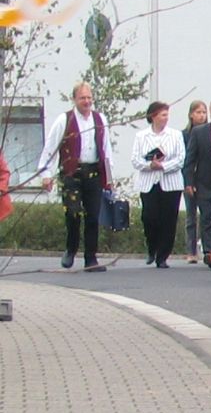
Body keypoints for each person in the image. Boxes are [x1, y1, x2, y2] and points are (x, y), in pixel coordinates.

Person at [34, 82, 111, 272]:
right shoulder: (65, 120)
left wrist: (109, 177)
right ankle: (71, 249)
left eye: (89, 98)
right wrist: (46, 174)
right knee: (73, 214)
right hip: (72, 174)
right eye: (82, 98)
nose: (86, 101)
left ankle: (90, 258)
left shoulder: (100, 119)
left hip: (93, 173)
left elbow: (106, 149)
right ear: (74, 99)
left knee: (93, 215)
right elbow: (50, 148)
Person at [130, 101, 186, 268]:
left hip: (170, 183)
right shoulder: (141, 136)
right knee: (149, 217)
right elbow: (135, 159)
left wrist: (163, 166)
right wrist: (149, 165)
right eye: (162, 114)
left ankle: (163, 256)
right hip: (149, 182)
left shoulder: (175, 135)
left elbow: (180, 159)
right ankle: (152, 248)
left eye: (167, 115)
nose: (166, 118)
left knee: (168, 219)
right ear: (153, 116)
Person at [182, 100, 211, 266]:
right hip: (204, 182)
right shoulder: (198, 132)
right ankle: (208, 252)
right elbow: (190, 159)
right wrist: (189, 181)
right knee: (206, 218)